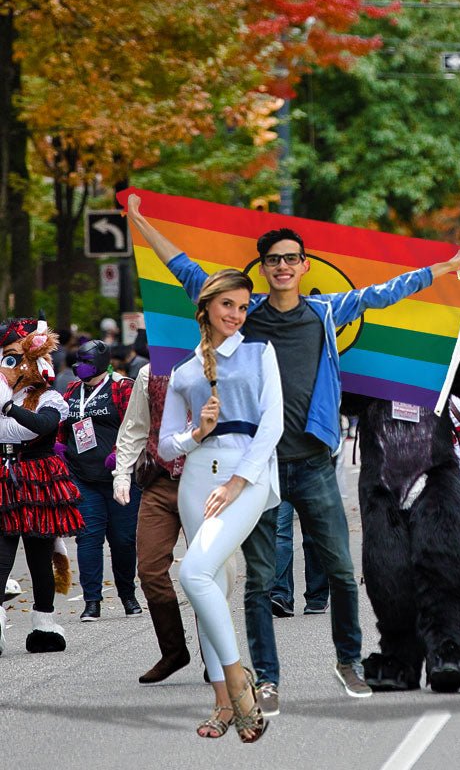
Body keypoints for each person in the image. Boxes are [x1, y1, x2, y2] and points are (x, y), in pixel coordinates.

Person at [127, 193, 460, 711]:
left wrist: (442, 269)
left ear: (305, 265)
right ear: (262, 269)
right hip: (257, 469)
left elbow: (385, 293)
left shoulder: (326, 312)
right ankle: (266, 679)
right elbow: (186, 270)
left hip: (313, 463)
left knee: (338, 568)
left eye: (291, 258)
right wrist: (140, 223)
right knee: (261, 580)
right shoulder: (245, 315)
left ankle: (348, 663)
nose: (283, 266)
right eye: (274, 260)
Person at [159, 268, 280, 741]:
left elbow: (272, 424)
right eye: (228, 304)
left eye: (243, 306)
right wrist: (197, 433)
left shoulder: (259, 352)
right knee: (210, 586)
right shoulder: (185, 371)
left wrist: (237, 481)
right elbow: (166, 446)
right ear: (207, 306)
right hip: (195, 479)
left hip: (244, 476)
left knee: (193, 572)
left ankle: (239, 686)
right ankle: (222, 705)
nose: (236, 314)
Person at [0, 317, 81, 655]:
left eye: (15, 358)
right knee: (2, 558)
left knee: (39, 557)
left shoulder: (49, 398)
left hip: (37, 480)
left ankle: (44, 624)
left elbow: (41, 427)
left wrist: (7, 409)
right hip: (4, 478)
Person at [112, 365, 192, 683]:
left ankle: (216, 654)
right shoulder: (149, 373)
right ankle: (173, 650)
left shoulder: (222, 363)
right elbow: (134, 428)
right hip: (159, 483)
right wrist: (121, 473)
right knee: (149, 569)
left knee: (206, 571)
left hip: (204, 482)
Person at [60, 340, 141, 622]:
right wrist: (60, 447)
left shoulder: (122, 387)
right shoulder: (72, 390)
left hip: (121, 477)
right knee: (88, 539)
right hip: (83, 477)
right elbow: (63, 425)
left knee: (123, 540)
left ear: (100, 361)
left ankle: (128, 595)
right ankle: (92, 600)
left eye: (85, 360)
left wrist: (120, 455)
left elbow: (137, 426)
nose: (78, 365)